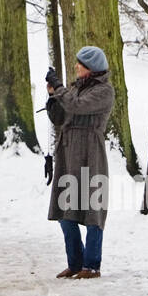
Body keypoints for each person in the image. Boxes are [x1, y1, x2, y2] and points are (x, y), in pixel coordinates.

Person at [45, 46, 114, 279]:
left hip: (90, 152)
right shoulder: (75, 89)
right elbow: (61, 116)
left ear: (91, 68)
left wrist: (61, 89)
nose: (76, 67)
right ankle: (75, 263)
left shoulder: (104, 91)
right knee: (66, 208)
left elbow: (77, 106)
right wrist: (53, 96)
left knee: (93, 207)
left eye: (80, 64)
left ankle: (92, 265)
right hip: (68, 151)